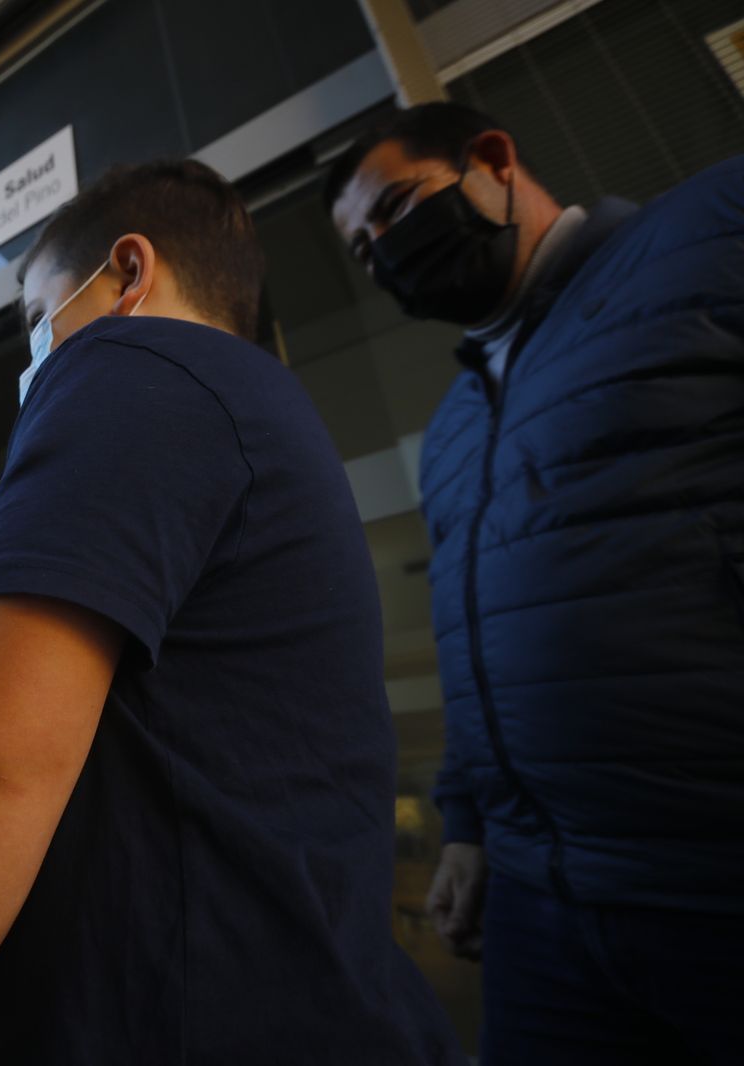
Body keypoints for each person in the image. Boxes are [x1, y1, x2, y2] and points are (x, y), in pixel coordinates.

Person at [0, 160, 462, 1065]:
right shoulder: (256, 423)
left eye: (37, 319)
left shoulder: (135, 357)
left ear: (128, 274)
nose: (36, 358)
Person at [326, 102, 744, 1063]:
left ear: (493, 160)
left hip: (716, 883)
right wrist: (469, 828)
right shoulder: (453, 430)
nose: (384, 252)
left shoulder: (707, 237)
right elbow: (475, 641)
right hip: (539, 913)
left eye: (394, 208)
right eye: (361, 249)